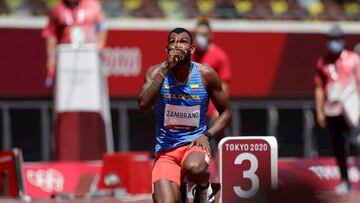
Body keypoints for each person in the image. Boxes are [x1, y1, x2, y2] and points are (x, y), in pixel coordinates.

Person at [138, 27, 232, 203]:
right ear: (167, 50)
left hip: (195, 144)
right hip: (166, 150)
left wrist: (207, 135)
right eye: (172, 42)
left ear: (192, 49)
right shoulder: (155, 72)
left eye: (182, 41)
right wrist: (166, 67)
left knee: (194, 168)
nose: (177, 45)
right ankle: (180, 190)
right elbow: (143, 104)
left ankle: (204, 188)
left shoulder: (206, 75)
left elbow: (226, 112)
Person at [42, 0, 109, 160]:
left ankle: (97, 154)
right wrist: (51, 57)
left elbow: (102, 27)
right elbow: (50, 34)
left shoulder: (93, 6)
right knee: (64, 113)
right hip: (66, 62)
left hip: (89, 60)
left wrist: (100, 45)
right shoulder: (57, 9)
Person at [314, 24, 360, 194]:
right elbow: (319, 87)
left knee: (357, 142)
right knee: (338, 146)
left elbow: (359, 83)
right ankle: (345, 180)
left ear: (342, 40)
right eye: (330, 39)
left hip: (351, 109)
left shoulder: (353, 59)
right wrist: (319, 110)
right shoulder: (322, 62)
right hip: (332, 109)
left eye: (336, 39)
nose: (333, 43)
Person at [192, 17, 231, 181]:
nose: (200, 37)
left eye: (204, 34)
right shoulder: (191, 56)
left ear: (210, 35)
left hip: (211, 112)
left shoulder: (219, 56)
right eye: (198, 34)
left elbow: (224, 85)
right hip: (194, 111)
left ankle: (221, 178)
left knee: (217, 146)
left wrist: (218, 110)